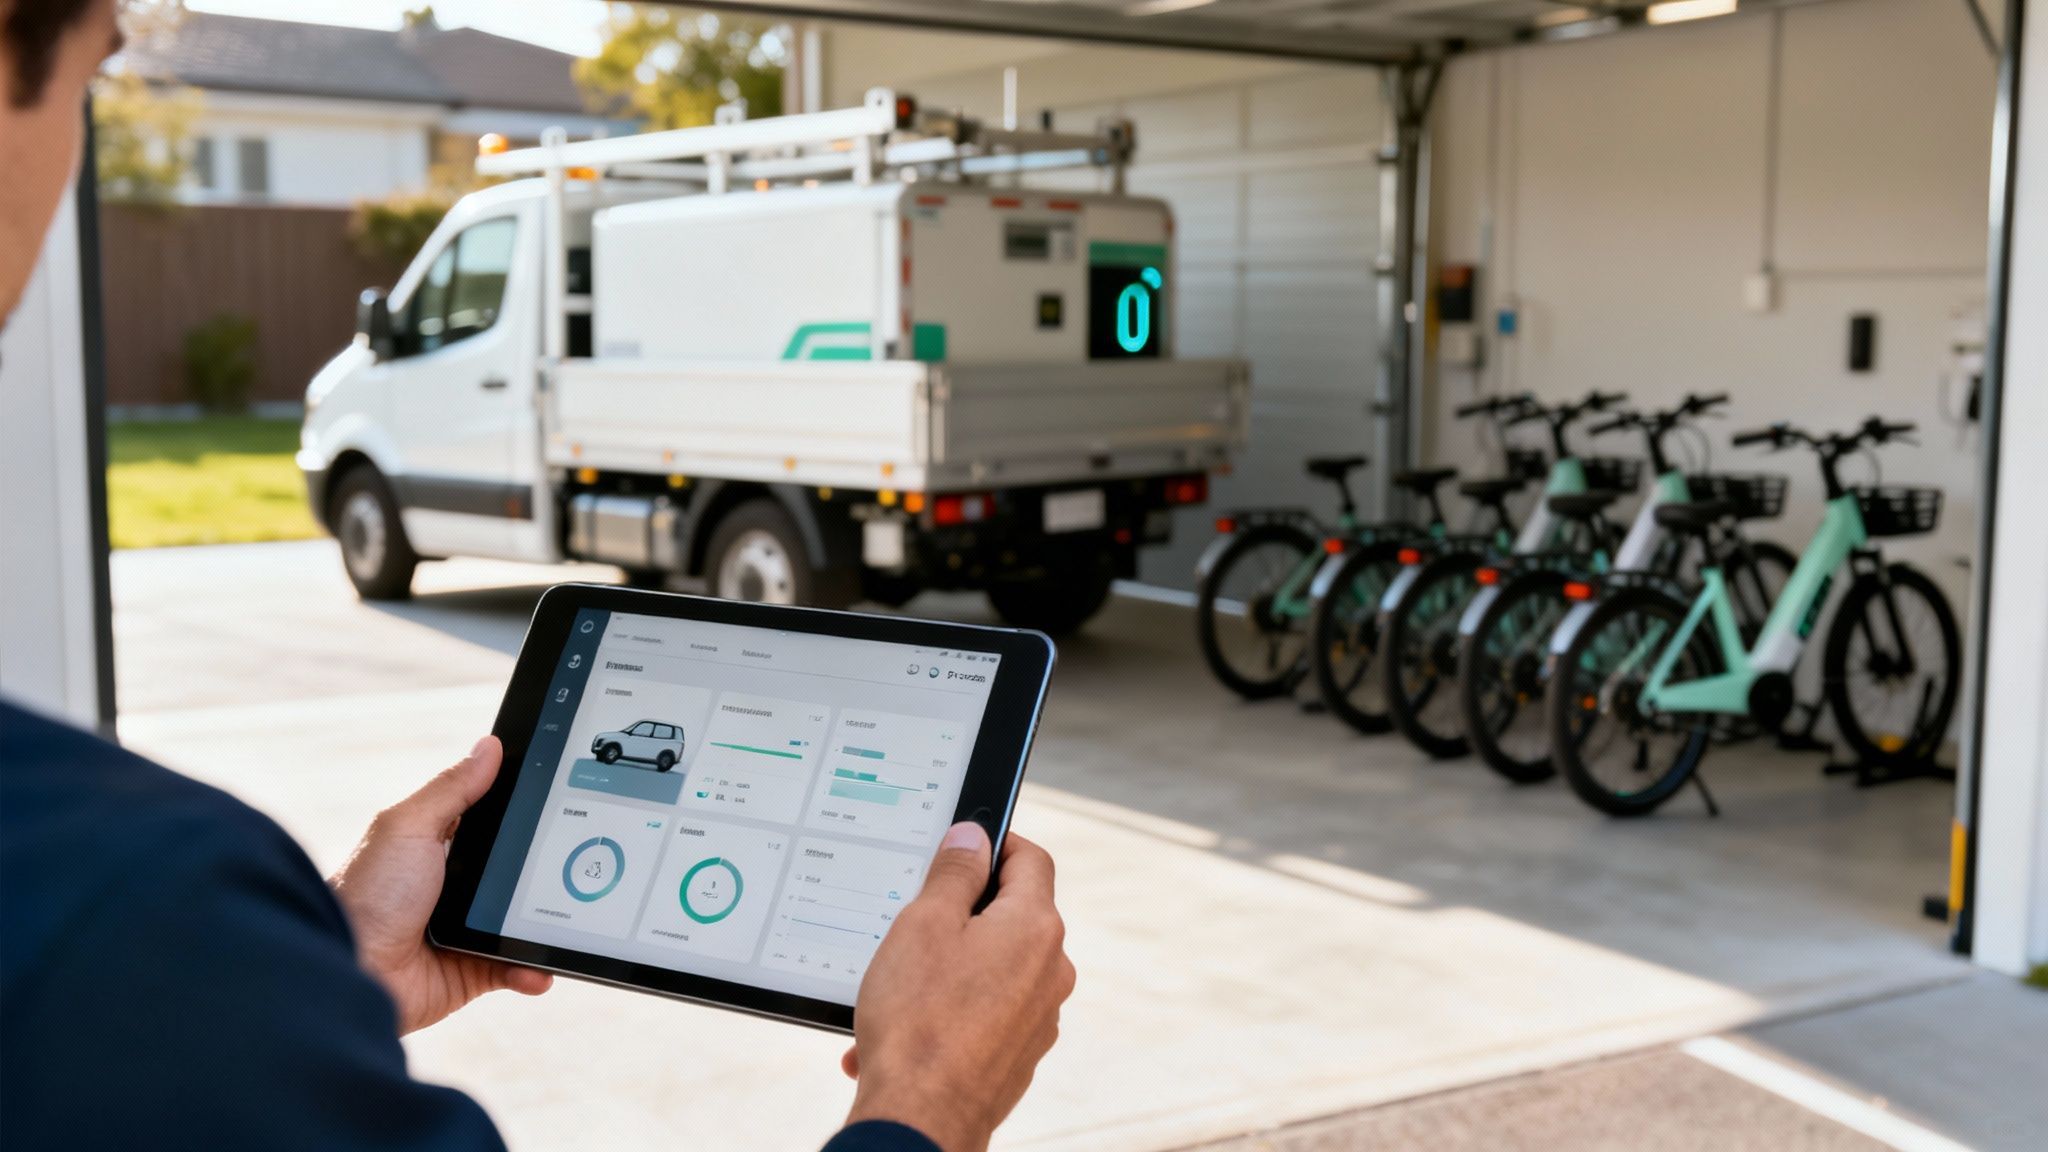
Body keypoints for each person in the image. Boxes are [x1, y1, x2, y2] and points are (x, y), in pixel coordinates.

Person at [0, 4, 1075, 1150]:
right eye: (93, 74)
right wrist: (931, 1097)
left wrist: (318, 981)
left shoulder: (113, 913)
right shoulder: (116, 906)